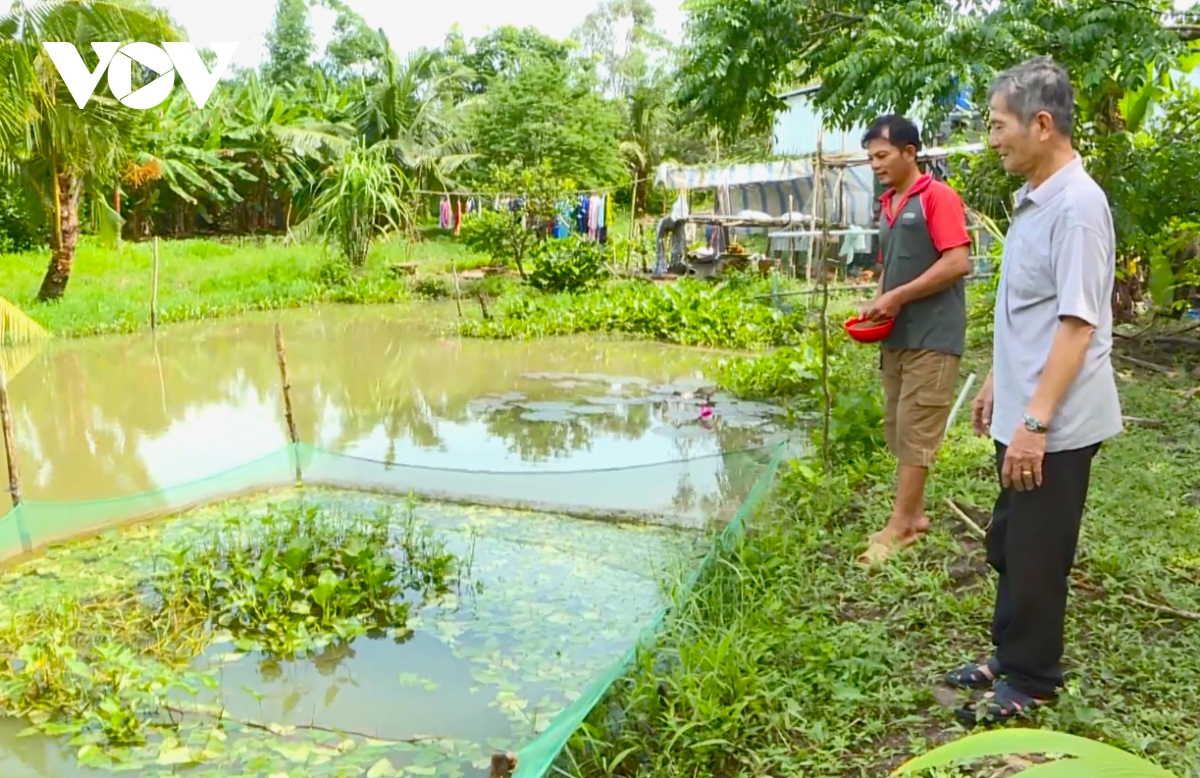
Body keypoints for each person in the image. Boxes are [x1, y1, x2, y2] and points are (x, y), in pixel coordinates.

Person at [946, 56, 1123, 725]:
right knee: (1008, 540)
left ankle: (1033, 677)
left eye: (997, 125)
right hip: (1024, 406)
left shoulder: (1077, 207)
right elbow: (1029, 307)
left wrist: (1036, 422)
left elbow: (1078, 325)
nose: (992, 138)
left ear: (1041, 125)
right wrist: (998, 376)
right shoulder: (1035, 198)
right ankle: (1008, 652)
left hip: (1058, 422)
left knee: (1038, 552)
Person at [857, 114, 973, 567]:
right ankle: (914, 514)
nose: (876, 165)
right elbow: (895, 265)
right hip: (897, 335)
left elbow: (957, 262)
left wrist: (899, 296)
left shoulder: (937, 197)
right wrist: (880, 298)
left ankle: (902, 525)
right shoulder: (889, 203)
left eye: (882, 156)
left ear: (910, 153)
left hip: (933, 334)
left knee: (918, 427)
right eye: (870, 158)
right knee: (897, 424)